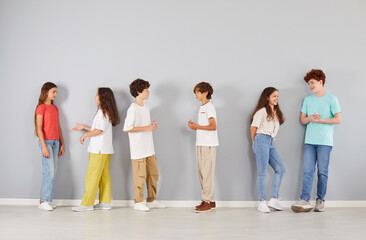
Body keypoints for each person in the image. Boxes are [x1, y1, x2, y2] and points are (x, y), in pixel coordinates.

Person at [292, 69, 341, 213]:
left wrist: (321, 120)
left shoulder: (332, 99)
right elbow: (302, 120)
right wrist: (310, 119)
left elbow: (338, 119)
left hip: (325, 142)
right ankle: (305, 199)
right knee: (307, 171)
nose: (310, 86)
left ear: (321, 82)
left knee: (322, 172)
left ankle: (320, 200)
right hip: (309, 141)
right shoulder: (308, 100)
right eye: (308, 83)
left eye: (312, 82)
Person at [72, 87, 119, 212]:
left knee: (92, 176)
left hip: (99, 150)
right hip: (104, 149)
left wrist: (84, 135)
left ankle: (87, 203)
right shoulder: (104, 112)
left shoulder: (103, 112)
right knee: (104, 176)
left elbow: (99, 131)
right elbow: (97, 128)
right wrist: (84, 127)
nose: (95, 97)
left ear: (103, 98)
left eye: (97, 95)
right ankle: (105, 202)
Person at [123, 78, 166, 212]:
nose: (148, 92)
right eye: (146, 90)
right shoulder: (133, 108)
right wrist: (147, 128)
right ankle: (138, 202)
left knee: (153, 174)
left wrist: (151, 127)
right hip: (138, 149)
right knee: (139, 177)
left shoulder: (145, 107)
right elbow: (127, 128)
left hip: (149, 148)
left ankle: (151, 200)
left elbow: (145, 127)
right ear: (138, 92)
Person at [250, 87, 286, 213]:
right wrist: (255, 143)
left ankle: (274, 199)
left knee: (280, 169)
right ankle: (261, 202)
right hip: (261, 140)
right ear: (267, 97)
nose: (277, 98)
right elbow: (253, 128)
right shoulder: (262, 111)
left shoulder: (275, 112)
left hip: (270, 142)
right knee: (262, 172)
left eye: (277, 96)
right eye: (274, 96)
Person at [188, 82, 219, 213]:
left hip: (208, 145)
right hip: (200, 143)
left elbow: (213, 126)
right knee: (202, 173)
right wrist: (194, 126)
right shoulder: (202, 107)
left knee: (206, 174)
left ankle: (206, 201)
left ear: (205, 93)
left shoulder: (209, 107)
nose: (196, 94)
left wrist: (196, 127)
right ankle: (210, 200)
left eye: (197, 92)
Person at [35, 82, 65, 211]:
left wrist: (62, 143)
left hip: (55, 142)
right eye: (53, 92)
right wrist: (44, 146)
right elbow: (38, 129)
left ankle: (47, 200)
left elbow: (58, 127)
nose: (55, 94)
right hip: (46, 142)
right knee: (49, 172)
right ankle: (42, 201)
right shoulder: (41, 108)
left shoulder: (55, 108)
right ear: (46, 92)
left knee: (53, 173)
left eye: (56, 92)